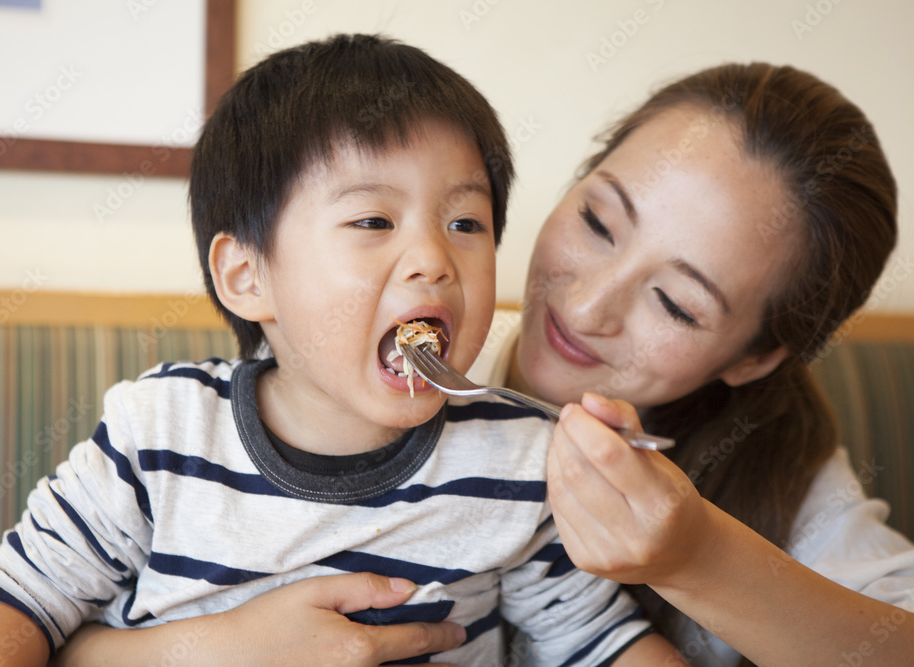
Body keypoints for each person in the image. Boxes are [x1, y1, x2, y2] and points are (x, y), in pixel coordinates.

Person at [54, 60, 914, 667]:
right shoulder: (191, 423)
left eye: (677, 304)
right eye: (600, 222)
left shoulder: (787, 469)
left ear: (757, 355)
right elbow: (36, 612)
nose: (583, 307)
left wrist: (693, 558)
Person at [0, 34, 681, 666]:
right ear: (247, 275)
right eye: (371, 220)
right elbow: (17, 605)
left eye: (466, 222)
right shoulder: (159, 432)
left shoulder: (520, 461)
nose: (434, 258)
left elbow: (602, 642)